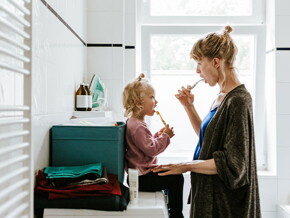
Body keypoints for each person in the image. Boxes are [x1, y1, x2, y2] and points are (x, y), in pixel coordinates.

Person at [152, 26, 261, 218]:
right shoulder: (222, 96)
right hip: (209, 194)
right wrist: (188, 107)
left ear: (216, 62)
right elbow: (209, 140)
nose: (197, 71)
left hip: (227, 205)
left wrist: (185, 165)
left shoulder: (238, 100)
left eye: (199, 63)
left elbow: (235, 165)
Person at [122, 73, 184, 218]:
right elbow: (152, 150)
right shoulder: (138, 126)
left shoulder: (135, 123)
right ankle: (176, 215)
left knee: (171, 171)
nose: (156, 101)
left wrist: (157, 136)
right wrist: (166, 136)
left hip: (140, 176)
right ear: (139, 103)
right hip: (143, 178)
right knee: (176, 178)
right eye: (152, 97)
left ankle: (170, 207)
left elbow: (144, 145)